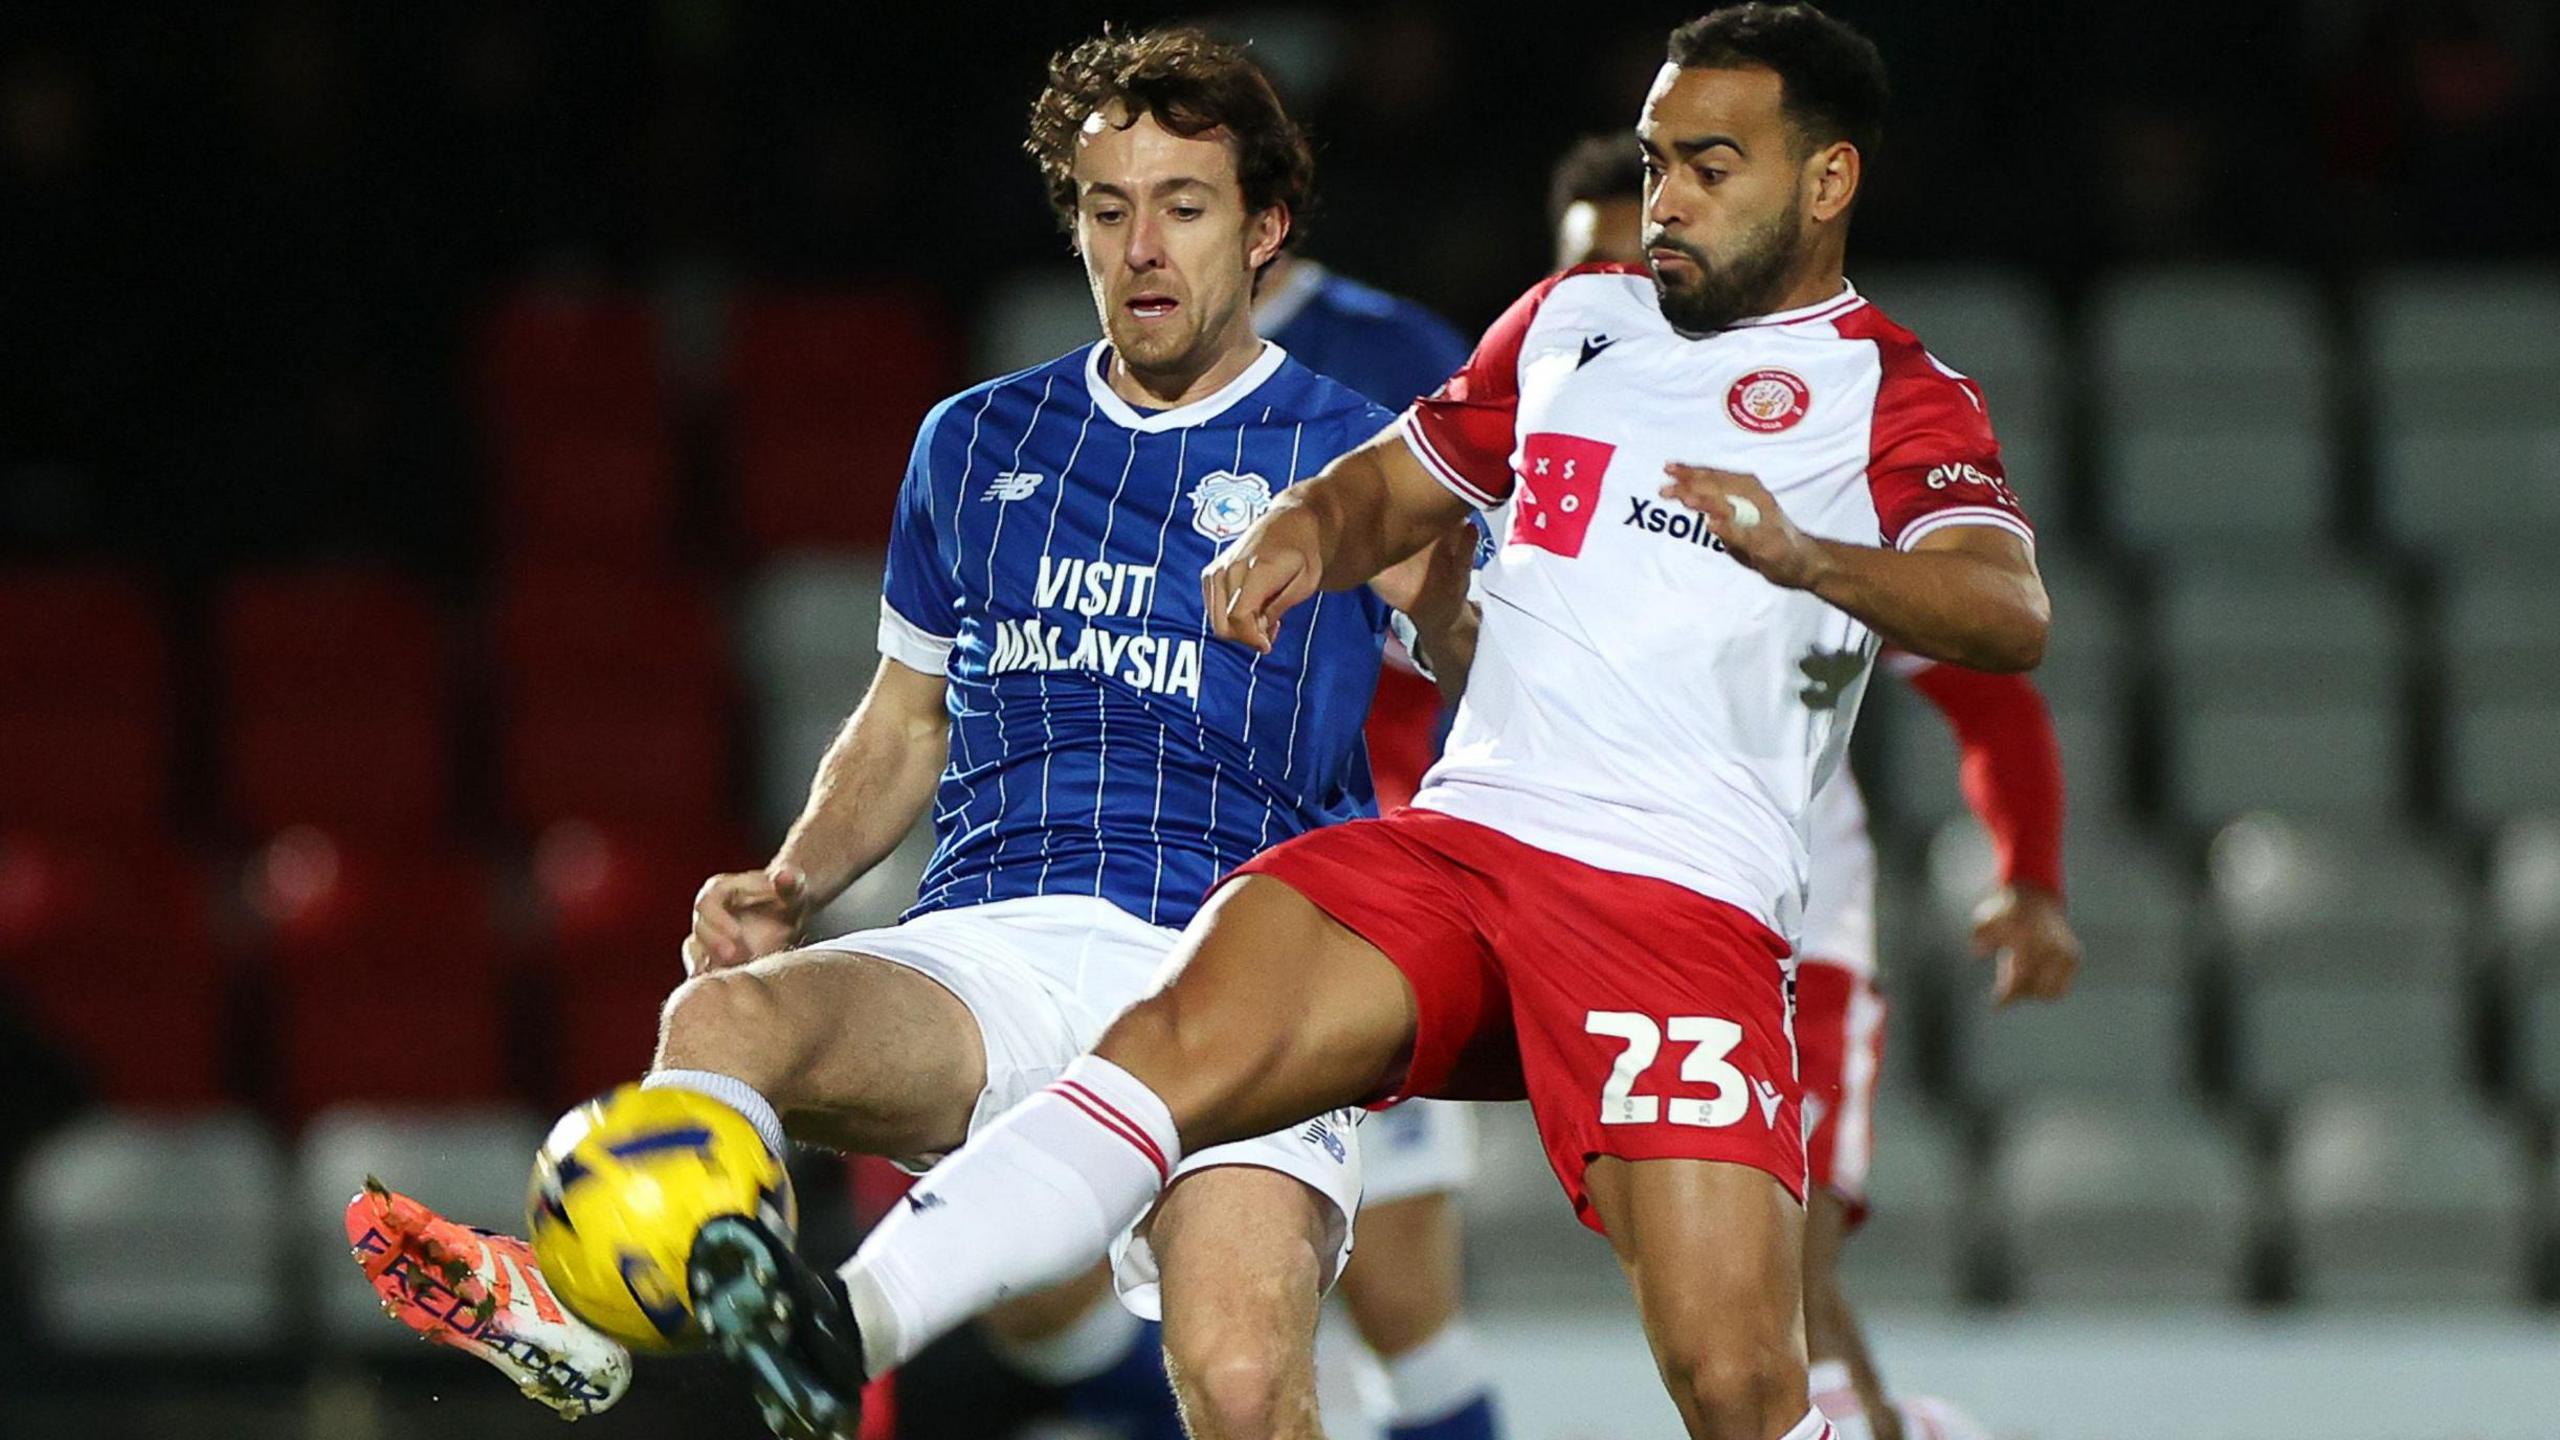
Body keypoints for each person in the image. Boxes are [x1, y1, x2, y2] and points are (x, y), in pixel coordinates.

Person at [680, 8, 2055, 1440]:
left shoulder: (1894, 392)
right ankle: (845, 1325)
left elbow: (2006, 608)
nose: (1668, 201)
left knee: (1735, 1386)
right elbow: (1396, 481)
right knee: (1181, 1036)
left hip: (1673, 898)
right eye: (1656, 164)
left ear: (1826, 181)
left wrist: (1810, 558)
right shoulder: (1571, 321)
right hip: (1467, 845)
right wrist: (1304, 530)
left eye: (1711, 168)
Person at [348, 28, 1478, 1440]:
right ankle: (588, 1315)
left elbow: (1494, 672)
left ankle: (680, 1319)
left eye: (1183, 207)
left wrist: (1466, 618)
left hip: (1239, 971)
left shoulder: (1364, 457)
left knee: (1244, 1388)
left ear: (1265, 230)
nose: (1141, 248)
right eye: (1107, 208)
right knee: (724, 1015)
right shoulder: (975, 440)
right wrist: (792, 881)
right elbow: (905, 717)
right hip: (990, 954)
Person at [1546, 132, 2081, 1440]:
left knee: (1773, 1288)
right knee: (1723, 1306)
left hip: (1784, 928)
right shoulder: (1523, 463)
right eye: (1594, 273)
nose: (1630, 291)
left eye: (1648, 263)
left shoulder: (1805, 468)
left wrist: (2027, 875)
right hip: (1578, 918)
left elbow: (1988, 688)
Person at [1255, 258, 1501, 1440]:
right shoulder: (1086, 389)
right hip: (1153, 870)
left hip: (1357, 882)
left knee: (1398, 1305)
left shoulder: (1399, 354)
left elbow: (1478, 611)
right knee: (1070, 1295)